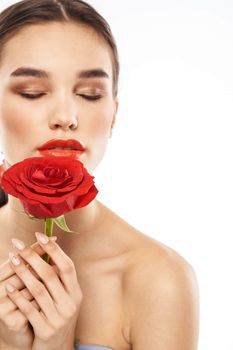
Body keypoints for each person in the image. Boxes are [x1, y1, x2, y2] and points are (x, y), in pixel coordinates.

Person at [0, 0, 199, 349]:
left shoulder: (159, 280)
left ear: (113, 115)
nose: (66, 116)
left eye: (89, 94)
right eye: (33, 92)